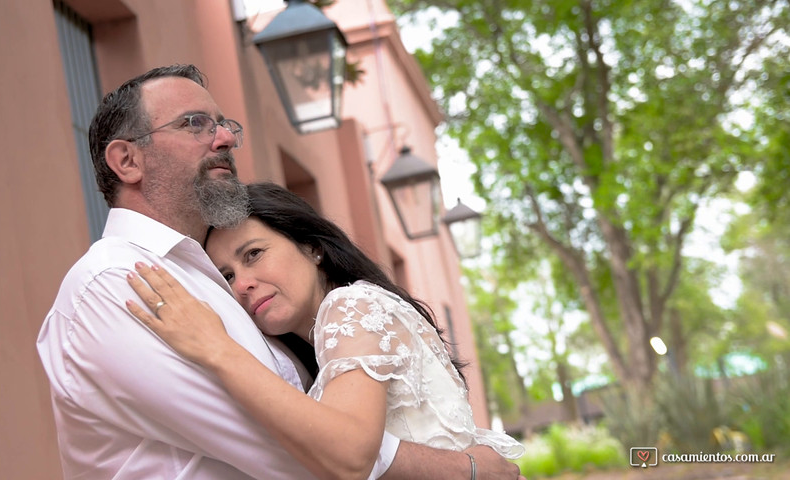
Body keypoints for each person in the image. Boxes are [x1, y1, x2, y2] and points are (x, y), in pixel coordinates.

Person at [36, 64, 525, 479]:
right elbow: (295, 448)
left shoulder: (202, 278)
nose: (225, 137)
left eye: (224, 124)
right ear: (127, 160)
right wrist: (467, 468)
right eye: (195, 123)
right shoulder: (115, 284)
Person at [125, 182, 525, 479]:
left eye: (254, 254)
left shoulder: (348, 305)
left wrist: (216, 348)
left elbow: (351, 453)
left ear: (313, 248)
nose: (242, 284)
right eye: (227, 275)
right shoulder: (324, 346)